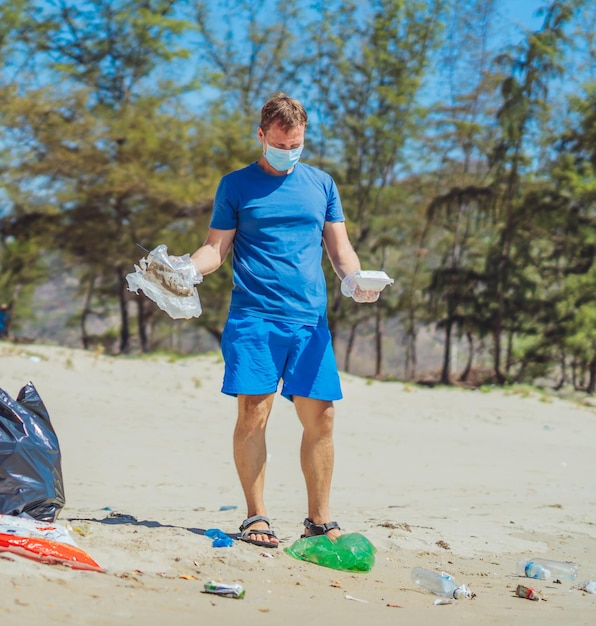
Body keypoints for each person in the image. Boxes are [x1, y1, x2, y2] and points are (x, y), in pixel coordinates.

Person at [189, 93, 381, 548]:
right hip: (254, 316)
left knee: (324, 418)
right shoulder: (235, 185)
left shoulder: (322, 184)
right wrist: (185, 269)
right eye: (280, 144)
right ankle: (256, 517)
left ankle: (319, 520)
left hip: (309, 321)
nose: (289, 151)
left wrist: (356, 280)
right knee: (254, 413)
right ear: (261, 136)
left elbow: (340, 250)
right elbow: (215, 250)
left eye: (296, 144)